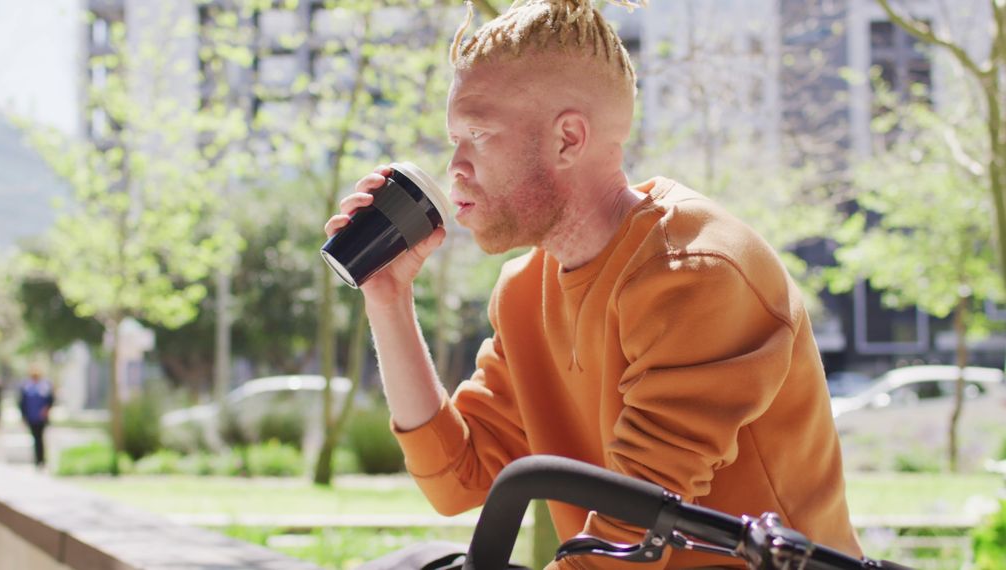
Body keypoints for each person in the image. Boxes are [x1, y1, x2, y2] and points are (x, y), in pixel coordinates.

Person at [325, 0, 862, 567]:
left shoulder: (697, 274)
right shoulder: (525, 291)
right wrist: (388, 298)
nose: (455, 164)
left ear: (568, 139)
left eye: (479, 134)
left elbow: (627, 542)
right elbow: (457, 477)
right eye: (455, 138)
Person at [19, 366, 54, 469]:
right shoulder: (27, 387)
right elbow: (22, 403)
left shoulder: (44, 386)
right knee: (35, 438)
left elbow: (50, 400)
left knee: (40, 438)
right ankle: (37, 459)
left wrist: (46, 410)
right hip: (31, 416)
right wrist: (24, 416)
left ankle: (42, 459)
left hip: (41, 417)